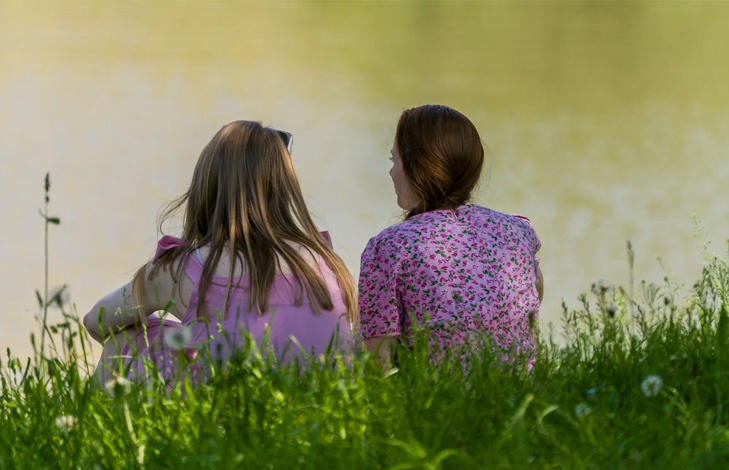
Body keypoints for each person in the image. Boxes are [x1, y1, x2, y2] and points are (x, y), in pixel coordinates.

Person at [84, 121, 358, 385]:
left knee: (126, 336)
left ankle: (94, 428)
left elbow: (97, 321)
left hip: (227, 410)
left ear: (207, 186)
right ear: (286, 189)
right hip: (319, 411)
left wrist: (172, 333)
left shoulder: (183, 269)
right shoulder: (327, 262)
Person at [358, 104, 543, 367]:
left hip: (438, 401)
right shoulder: (518, 232)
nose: (391, 172)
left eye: (394, 160)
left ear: (416, 167)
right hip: (520, 396)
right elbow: (533, 305)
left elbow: (380, 361)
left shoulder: (388, 247)